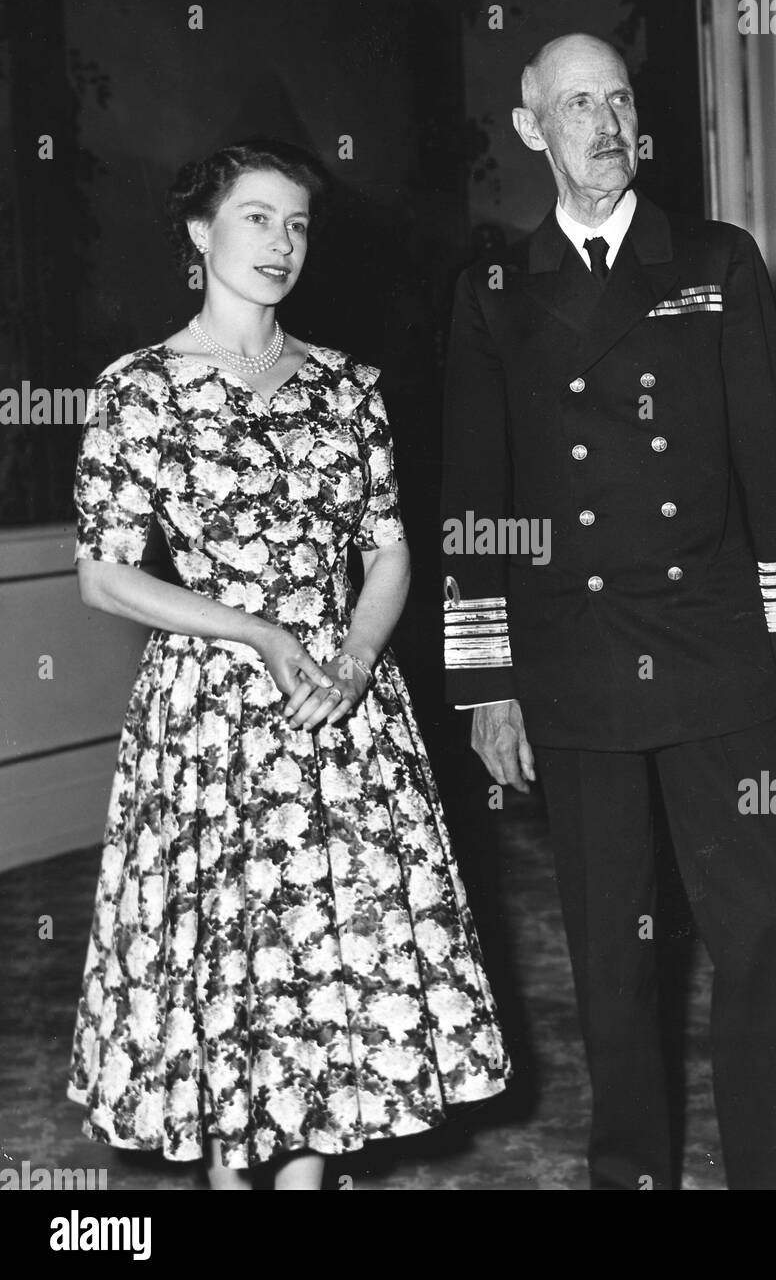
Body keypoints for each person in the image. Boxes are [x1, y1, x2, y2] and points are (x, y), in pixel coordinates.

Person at [440, 34, 776, 1190]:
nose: (604, 124)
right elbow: (476, 498)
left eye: (619, 98)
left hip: (715, 643)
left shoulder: (713, 259)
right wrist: (485, 679)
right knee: (610, 956)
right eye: (576, 104)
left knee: (768, 929)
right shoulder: (492, 293)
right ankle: (629, 1175)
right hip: (570, 661)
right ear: (531, 129)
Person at [68, 136, 509, 1190]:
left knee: (330, 969)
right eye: (257, 217)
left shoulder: (347, 389)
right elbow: (104, 575)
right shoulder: (139, 390)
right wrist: (260, 633)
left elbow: (392, 548)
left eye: (297, 224)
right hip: (212, 720)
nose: (281, 243)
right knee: (229, 969)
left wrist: (354, 651)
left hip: (339, 715)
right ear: (198, 231)